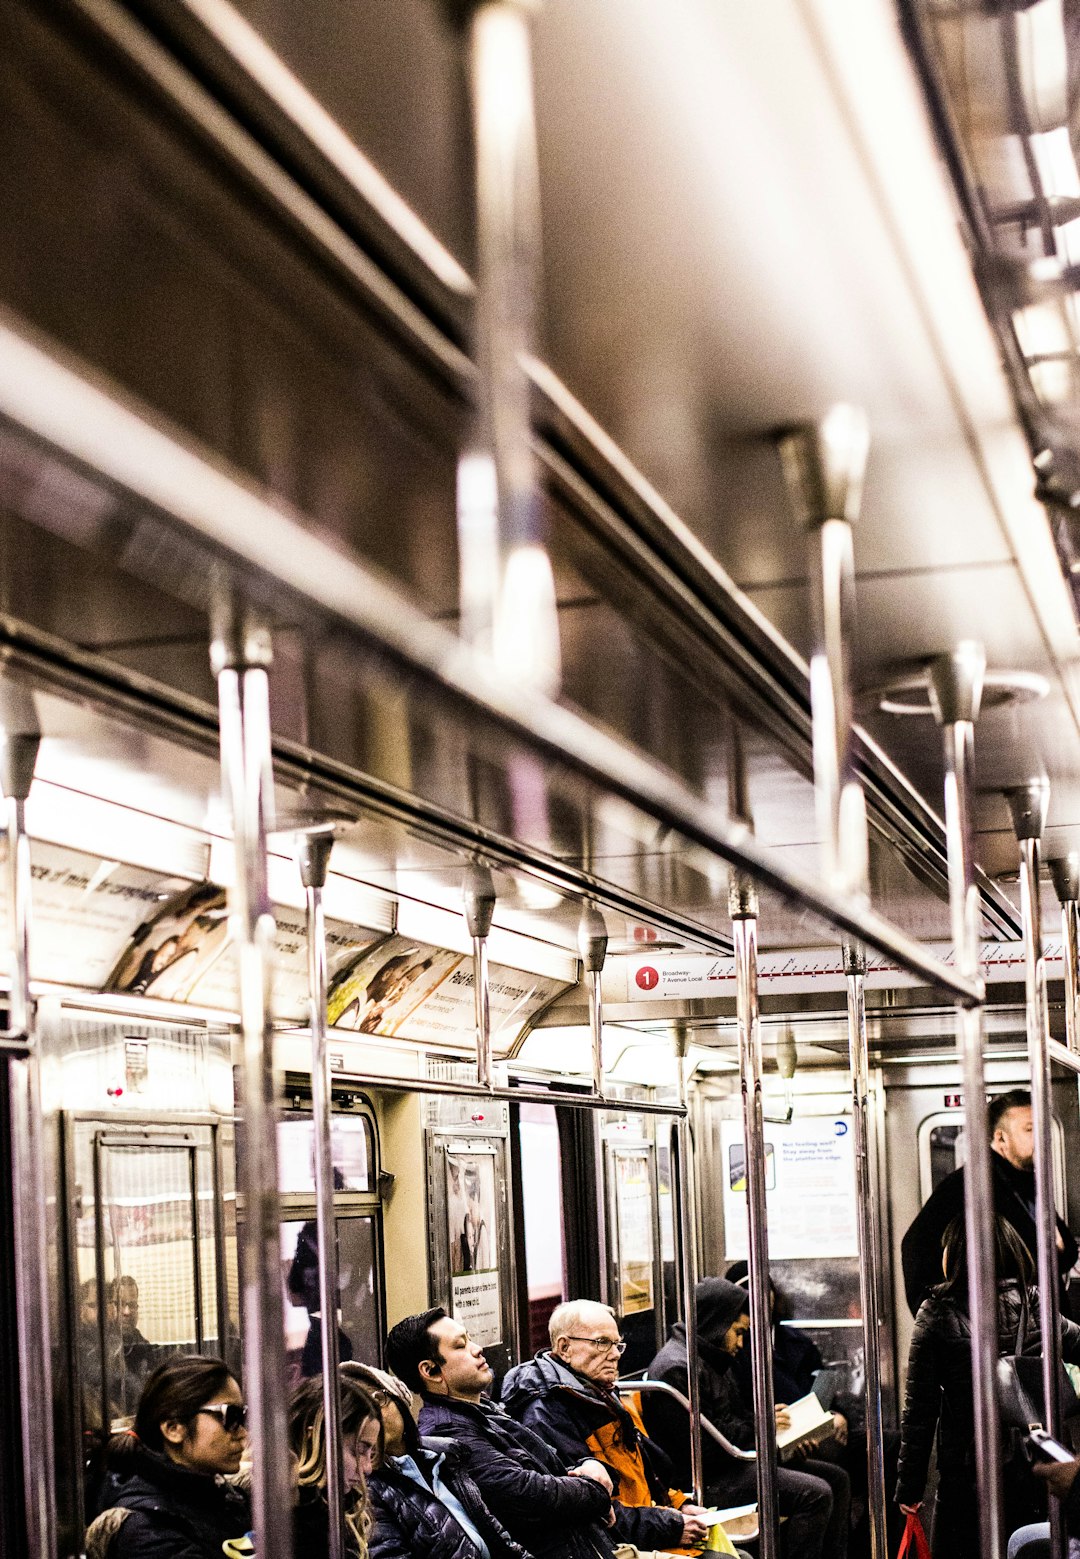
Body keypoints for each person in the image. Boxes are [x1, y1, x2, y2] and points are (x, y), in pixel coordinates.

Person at [896, 1213, 1080, 1559]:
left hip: (966, 1472)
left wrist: (910, 1487)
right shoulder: (1036, 1303)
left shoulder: (936, 1313)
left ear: (955, 1255)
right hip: (1037, 1465)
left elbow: (919, 1410)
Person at [385, 1307, 617, 1559]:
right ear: (430, 1371)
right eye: (460, 1346)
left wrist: (588, 1464)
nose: (477, 1348)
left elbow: (551, 1463)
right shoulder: (449, 1433)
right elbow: (529, 1494)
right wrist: (596, 1491)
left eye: (470, 1338)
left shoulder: (484, 1410)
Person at [644, 1277, 848, 1559]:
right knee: (814, 1493)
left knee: (837, 1478)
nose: (741, 1342)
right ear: (717, 1324)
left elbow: (734, 1418)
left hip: (732, 1464)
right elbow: (707, 1448)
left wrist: (769, 1427)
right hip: (709, 1479)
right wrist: (765, 1430)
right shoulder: (678, 1369)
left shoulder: (712, 1359)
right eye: (738, 1332)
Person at [501, 1297, 709, 1551]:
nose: (614, 1355)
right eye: (602, 1343)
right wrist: (668, 1526)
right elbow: (589, 1510)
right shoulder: (545, 1413)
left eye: (617, 1344)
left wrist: (677, 1505)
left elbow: (643, 1474)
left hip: (644, 1525)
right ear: (564, 1347)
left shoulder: (599, 1392)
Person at [901, 1090, 1078, 1316]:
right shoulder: (967, 1186)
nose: (1042, 1137)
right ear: (1001, 1138)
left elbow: (1061, 1253)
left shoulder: (1027, 1184)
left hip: (1038, 1327)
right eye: (1030, 1129)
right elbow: (917, 1250)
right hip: (1005, 1337)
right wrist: (948, 1324)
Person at [350, 1361, 532, 1559]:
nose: (370, 1416)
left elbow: (496, 1534)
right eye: (358, 1410)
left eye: (378, 1399)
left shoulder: (443, 1456)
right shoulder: (365, 1489)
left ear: (399, 1402)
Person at [85, 1356, 251, 1559]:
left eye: (242, 1416)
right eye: (231, 1416)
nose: (242, 1433)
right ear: (173, 1428)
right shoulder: (146, 1529)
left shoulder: (220, 1497)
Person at [288, 1373, 380, 1556]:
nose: (367, 1467)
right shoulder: (290, 1520)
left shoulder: (346, 1509)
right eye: (358, 1451)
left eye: (372, 1453)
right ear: (315, 1437)